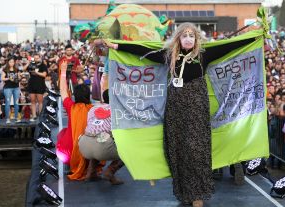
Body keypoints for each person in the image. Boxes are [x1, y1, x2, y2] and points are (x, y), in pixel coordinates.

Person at [104, 22, 256, 207]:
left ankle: (198, 194)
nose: (188, 38)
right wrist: (116, 46)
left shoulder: (203, 55)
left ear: (197, 39)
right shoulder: (170, 56)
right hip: (175, 110)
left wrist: (255, 37)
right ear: (178, 38)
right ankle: (185, 192)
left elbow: (230, 45)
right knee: (177, 151)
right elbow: (143, 50)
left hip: (197, 110)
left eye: (192, 35)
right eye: (184, 35)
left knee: (196, 151)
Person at [78, 89, 125, 185]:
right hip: (101, 145)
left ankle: (90, 173)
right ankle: (110, 171)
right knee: (128, 148)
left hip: (84, 144)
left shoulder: (93, 108)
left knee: (100, 139)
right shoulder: (119, 111)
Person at [58, 60, 93, 181]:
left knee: (62, 133)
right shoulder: (94, 110)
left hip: (67, 154)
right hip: (90, 154)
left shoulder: (71, 107)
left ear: (75, 96)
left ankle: (69, 164)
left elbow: (63, 90)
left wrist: (63, 72)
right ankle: (91, 168)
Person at [24, 54, 47, 121]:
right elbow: (23, 69)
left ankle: (40, 116)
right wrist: (28, 63)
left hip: (40, 84)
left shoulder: (43, 65)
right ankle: (34, 116)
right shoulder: (31, 64)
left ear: (40, 58)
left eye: (37, 58)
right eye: (35, 58)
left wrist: (37, 72)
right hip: (31, 84)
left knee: (40, 101)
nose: (36, 59)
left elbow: (44, 75)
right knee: (33, 101)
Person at [1, 57, 21, 123]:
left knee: (16, 103)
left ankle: (16, 117)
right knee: (8, 103)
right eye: (10, 62)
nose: (11, 63)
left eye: (13, 62)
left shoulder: (17, 69)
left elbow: (19, 78)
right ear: (8, 62)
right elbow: (2, 78)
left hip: (16, 87)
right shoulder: (5, 69)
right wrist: (9, 78)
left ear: (14, 62)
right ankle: (8, 119)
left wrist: (18, 78)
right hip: (8, 88)